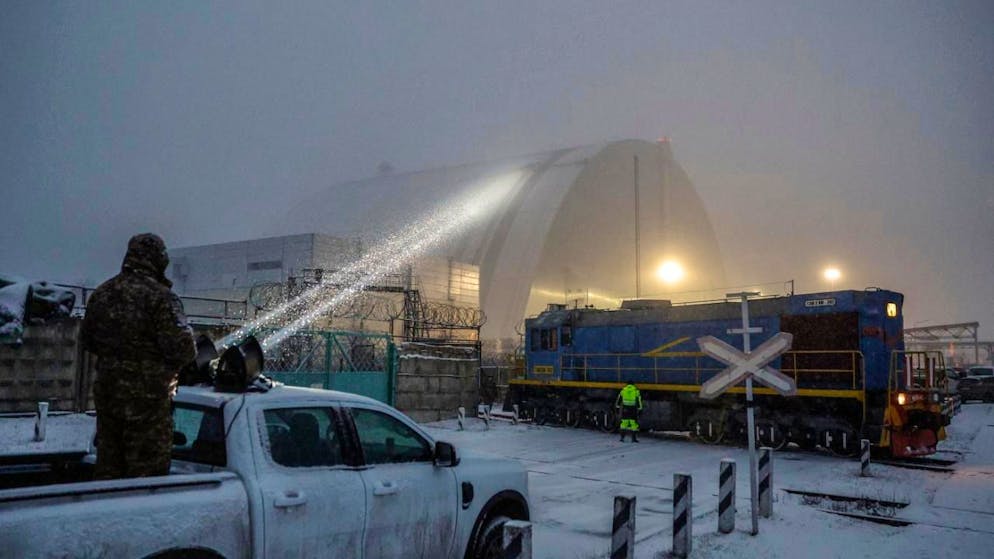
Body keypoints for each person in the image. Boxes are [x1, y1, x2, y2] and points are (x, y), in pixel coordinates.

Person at [81, 233, 196, 479]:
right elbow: (183, 349)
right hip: (148, 401)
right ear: (157, 259)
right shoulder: (161, 297)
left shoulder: (101, 294)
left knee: (109, 469)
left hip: (108, 396)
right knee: (146, 476)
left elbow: (87, 341)